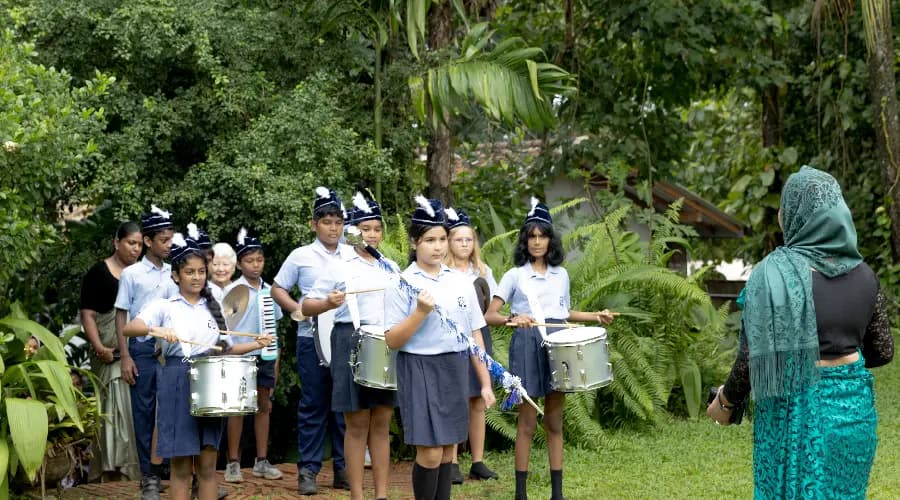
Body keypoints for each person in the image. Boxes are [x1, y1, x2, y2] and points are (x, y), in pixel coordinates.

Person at [707, 166, 894, 499]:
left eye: (784, 207)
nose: (780, 214)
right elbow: (882, 352)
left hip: (796, 414)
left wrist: (725, 401)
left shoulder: (772, 277)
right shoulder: (866, 276)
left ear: (795, 215)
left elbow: (752, 359)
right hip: (854, 418)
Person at [123, 233, 273, 500]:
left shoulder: (214, 309)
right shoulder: (163, 306)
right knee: (181, 467)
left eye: (201, 272)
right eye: (189, 272)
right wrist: (156, 329)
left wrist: (257, 344)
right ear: (176, 275)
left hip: (210, 381)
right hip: (176, 379)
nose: (196, 277)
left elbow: (227, 349)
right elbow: (129, 328)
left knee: (207, 465)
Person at [484, 198, 614, 500]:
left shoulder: (561, 274)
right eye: (532, 236)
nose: (537, 241)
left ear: (550, 239)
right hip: (527, 344)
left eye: (542, 236)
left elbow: (564, 313)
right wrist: (513, 319)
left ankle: (557, 494)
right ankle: (521, 494)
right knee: (527, 422)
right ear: (525, 240)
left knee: (555, 420)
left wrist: (596, 316)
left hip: (559, 344)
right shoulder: (514, 276)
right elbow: (490, 316)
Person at [384, 196, 496, 500]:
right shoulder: (402, 283)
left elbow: (474, 333)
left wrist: (485, 382)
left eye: (442, 238)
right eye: (430, 239)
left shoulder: (461, 282)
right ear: (414, 241)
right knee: (431, 453)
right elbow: (392, 339)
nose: (438, 246)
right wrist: (419, 313)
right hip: (418, 365)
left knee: (448, 451)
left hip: (455, 366)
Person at [301, 192, 398, 500]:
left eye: (376, 229)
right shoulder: (338, 265)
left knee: (382, 422)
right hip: (348, 339)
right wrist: (327, 302)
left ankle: (381, 494)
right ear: (352, 230)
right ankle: (357, 494)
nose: (371, 234)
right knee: (356, 422)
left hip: (385, 341)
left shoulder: (391, 267)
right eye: (364, 228)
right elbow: (306, 306)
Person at [271, 186, 349, 495]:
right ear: (313, 223)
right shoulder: (300, 255)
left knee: (345, 405)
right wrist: (297, 309)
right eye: (326, 221)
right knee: (314, 404)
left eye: (338, 222)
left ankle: (344, 468)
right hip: (310, 339)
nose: (333, 228)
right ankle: (309, 470)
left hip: (345, 339)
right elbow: (278, 287)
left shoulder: (353, 254)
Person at [114, 205, 178, 499]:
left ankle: (171, 469)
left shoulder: (175, 272)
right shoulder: (132, 274)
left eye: (171, 239)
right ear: (148, 241)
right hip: (141, 350)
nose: (169, 245)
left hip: (172, 348)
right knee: (144, 412)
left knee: (172, 409)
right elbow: (121, 315)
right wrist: (125, 355)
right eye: (164, 240)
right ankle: (148, 476)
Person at [81, 221, 143, 482]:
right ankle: (110, 468)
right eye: (131, 243)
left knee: (132, 410)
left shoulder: (143, 274)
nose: (135, 249)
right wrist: (99, 347)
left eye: (140, 244)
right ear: (116, 242)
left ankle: (132, 469)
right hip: (108, 354)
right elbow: (88, 314)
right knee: (113, 408)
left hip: (138, 352)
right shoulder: (99, 272)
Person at [223, 228, 284, 483]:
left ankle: (261, 461)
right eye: (249, 260)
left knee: (264, 406)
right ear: (239, 263)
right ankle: (233, 463)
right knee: (237, 409)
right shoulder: (233, 290)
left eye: (259, 260)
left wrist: (276, 361)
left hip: (266, 356)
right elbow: (225, 328)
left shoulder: (271, 291)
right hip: (239, 356)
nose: (255, 265)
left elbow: (275, 330)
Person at [442, 208, 499, 483]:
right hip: (452, 339)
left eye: (469, 239)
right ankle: (451, 461)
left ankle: (477, 460)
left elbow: (489, 311)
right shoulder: (443, 271)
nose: (464, 244)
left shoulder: (483, 272)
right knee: (455, 398)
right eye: (458, 239)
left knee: (477, 400)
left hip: (478, 337)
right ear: (449, 242)